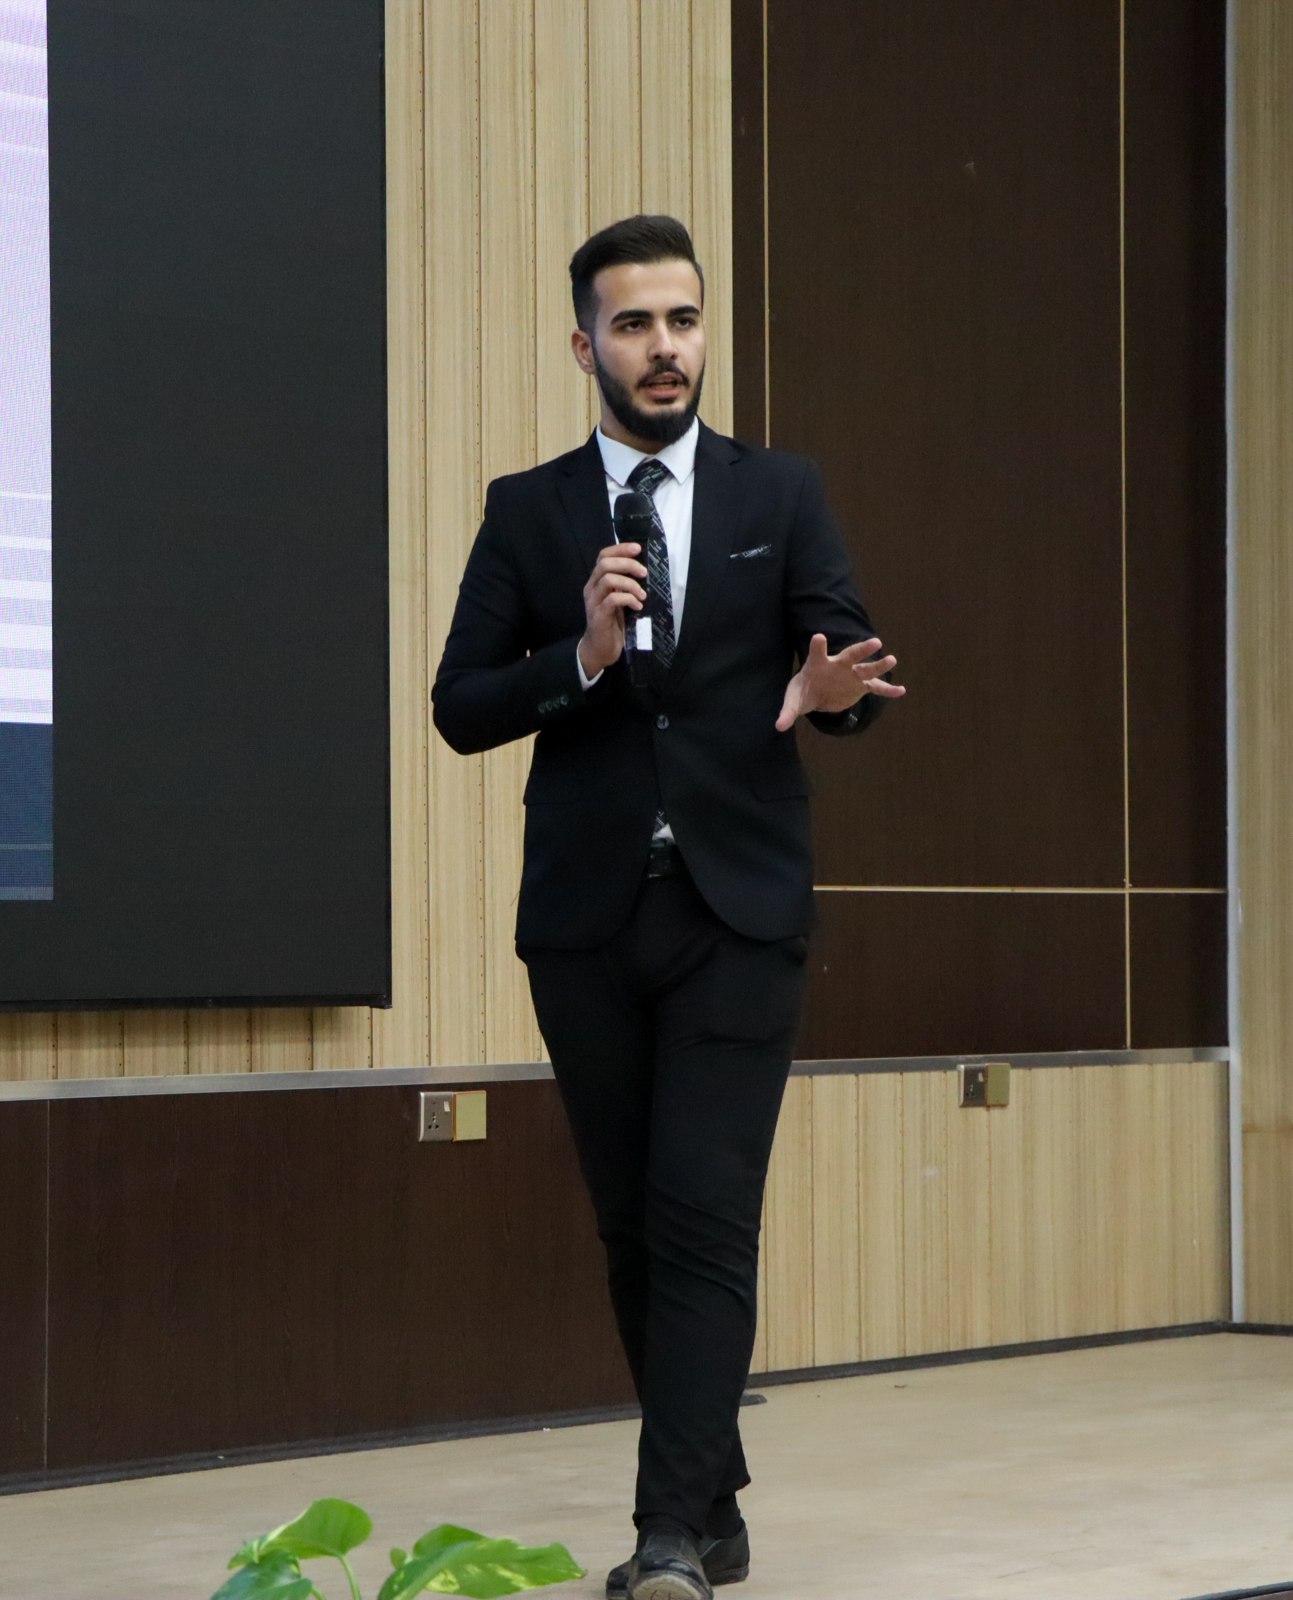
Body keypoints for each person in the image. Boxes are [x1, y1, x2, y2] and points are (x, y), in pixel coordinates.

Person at [430, 214, 903, 1600]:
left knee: (704, 1218)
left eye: (683, 321)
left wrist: (831, 696)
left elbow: (849, 663)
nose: (664, 348)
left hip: (737, 913)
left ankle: (667, 1539)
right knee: (634, 1227)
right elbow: (460, 705)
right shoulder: (529, 510)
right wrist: (580, 655)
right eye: (633, 324)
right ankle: (715, 1494)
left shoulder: (780, 493)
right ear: (586, 346)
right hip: (586, 923)